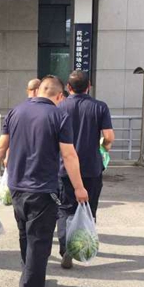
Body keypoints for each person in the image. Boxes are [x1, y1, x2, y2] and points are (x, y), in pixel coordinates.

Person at [0, 76, 88, 287]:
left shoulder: (16, 112)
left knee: (25, 235)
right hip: (43, 189)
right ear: (59, 96)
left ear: (39, 90)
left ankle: (30, 275)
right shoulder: (59, 116)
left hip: (17, 187)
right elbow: (69, 155)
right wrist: (79, 187)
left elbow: (1, 145)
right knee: (39, 241)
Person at [57, 71, 115, 269]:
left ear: (68, 87)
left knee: (65, 210)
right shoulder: (100, 107)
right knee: (89, 209)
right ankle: (82, 247)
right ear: (89, 86)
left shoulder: (60, 106)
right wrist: (104, 147)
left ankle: (65, 249)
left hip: (64, 167)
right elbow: (109, 136)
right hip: (91, 166)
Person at [4, 78, 42, 167]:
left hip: (18, 160)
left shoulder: (14, 112)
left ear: (27, 91)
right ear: (37, 91)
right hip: (38, 161)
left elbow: (8, 139)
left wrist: (7, 156)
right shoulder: (46, 111)